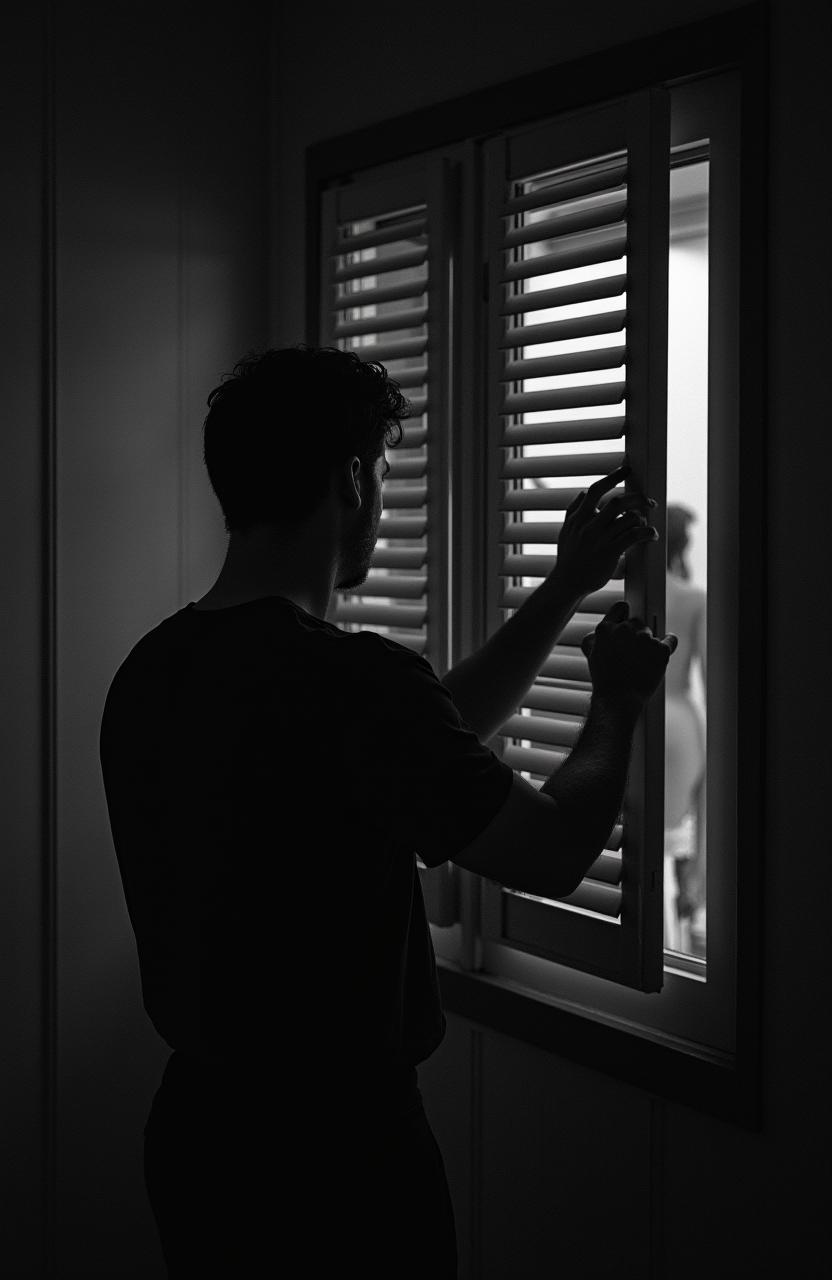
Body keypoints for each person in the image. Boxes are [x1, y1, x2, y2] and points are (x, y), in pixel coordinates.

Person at [99, 345, 676, 1278]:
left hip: (200, 1141)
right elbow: (555, 852)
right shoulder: (352, 686)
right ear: (354, 479)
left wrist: (565, 589)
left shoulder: (153, 673)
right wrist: (614, 701)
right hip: (338, 1163)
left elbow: (411, 748)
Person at [663, 503, 707, 954]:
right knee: (679, 849)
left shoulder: (612, 593)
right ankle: (680, 945)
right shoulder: (694, 599)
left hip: (629, 717)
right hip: (680, 724)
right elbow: (715, 685)